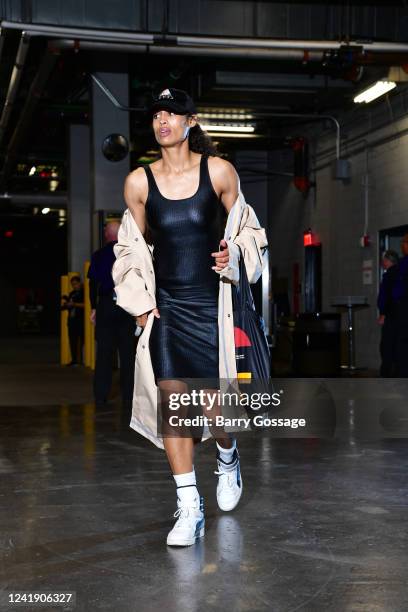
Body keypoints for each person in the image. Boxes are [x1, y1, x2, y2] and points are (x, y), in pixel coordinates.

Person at [112, 87, 268, 547]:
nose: (163, 121)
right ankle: (189, 506)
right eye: (156, 114)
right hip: (168, 310)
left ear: (191, 121)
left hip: (212, 306)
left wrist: (232, 258)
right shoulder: (139, 183)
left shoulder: (218, 172)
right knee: (173, 401)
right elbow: (129, 248)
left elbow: (248, 233)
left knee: (216, 408)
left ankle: (227, 455)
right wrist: (141, 306)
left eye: (172, 113)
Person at [88, 221, 136, 408]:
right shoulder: (130, 254)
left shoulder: (99, 255)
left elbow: (93, 284)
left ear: (106, 235)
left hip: (106, 305)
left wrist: (94, 308)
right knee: (128, 355)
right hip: (127, 306)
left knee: (104, 355)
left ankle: (101, 396)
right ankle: (129, 396)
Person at [377, 250, 399, 376]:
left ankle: (386, 375)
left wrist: (383, 313)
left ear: (387, 261)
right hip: (398, 316)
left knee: (386, 347)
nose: (382, 262)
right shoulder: (400, 273)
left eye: (383, 260)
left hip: (391, 317)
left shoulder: (390, 276)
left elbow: (387, 297)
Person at [393, 233, 408, 376]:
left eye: (404, 243)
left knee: (402, 341)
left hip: (404, 306)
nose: (402, 246)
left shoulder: (404, 264)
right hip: (402, 305)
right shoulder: (403, 263)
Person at [61, 275, 84, 366]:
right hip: (72, 320)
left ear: (80, 283)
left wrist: (74, 304)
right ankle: (74, 360)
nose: (74, 286)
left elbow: (86, 305)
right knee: (72, 340)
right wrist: (66, 304)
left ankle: (80, 360)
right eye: (73, 284)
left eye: (76, 284)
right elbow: (68, 305)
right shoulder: (71, 294)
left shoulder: (83, 293)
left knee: (81, 341)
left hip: (80, 320)